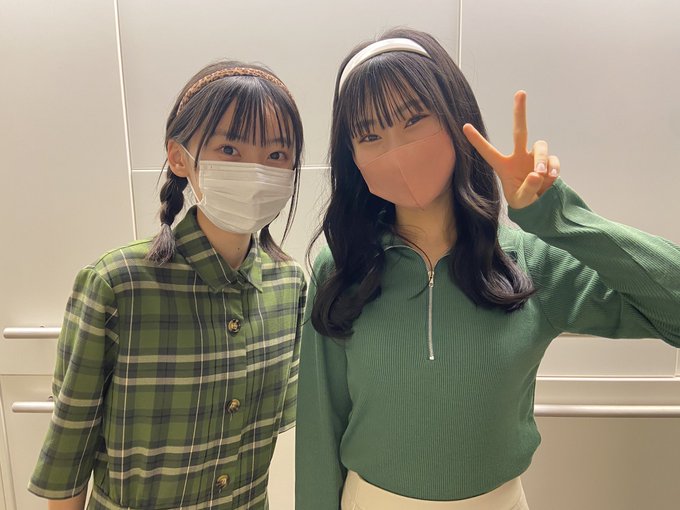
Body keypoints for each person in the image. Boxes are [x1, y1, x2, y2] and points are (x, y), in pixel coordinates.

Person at [295, 27, 680, 510]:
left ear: (458, 120)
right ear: (352, 157)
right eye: (370, 135)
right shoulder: (342, 268)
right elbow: (319, 427)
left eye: (414, 119)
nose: (396, 148)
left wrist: (556, 218)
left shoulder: (531, 262)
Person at [29, 61, 307, 510]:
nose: (256, 172)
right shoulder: (117, 284)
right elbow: (70, 450)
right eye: (230, 149)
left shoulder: (289, 286)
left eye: (276, 155)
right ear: (179, 157)